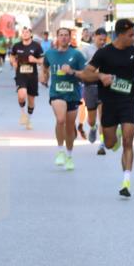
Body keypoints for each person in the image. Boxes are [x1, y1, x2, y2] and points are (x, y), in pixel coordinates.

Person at [77, 18, 134, 197]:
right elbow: (86, 74)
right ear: (120, 35)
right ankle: (114, 136)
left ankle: (126, 181)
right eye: (130, 35)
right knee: (111, 144)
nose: (133, 38)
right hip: (109, 103)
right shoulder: (104, 53)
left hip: (128, 101)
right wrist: (101, 76)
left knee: (129, 141)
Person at [41, 27, 87, 170]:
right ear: (57, 37)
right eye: (61, 35)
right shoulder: (50, 53)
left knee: (69, 126)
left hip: (73, 94)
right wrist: (44, 76)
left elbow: (85, 74)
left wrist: (72, 71)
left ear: (70, 37)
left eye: (66, 35)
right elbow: (44, 66)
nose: (64, 38)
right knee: (60, 120)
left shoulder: (77, 55)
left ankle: (69, 156)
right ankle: (60, 151)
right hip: (57, 93)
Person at [80, 27, 108, 153]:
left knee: (103, 117)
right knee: (91, 119)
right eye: (100, 39)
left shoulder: (109, 50)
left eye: (104, 39)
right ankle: (93, 127)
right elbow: (82, 66)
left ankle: (102, 143)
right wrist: (93, 69)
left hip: (104, 86)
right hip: (90, 86)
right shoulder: (87, 49)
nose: (102, 41)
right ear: (94, 37)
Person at [10, 27, 44, 129]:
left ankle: (29, 119)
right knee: (22, 95)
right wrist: (13, 62)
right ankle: (23, 113)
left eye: (27, 32)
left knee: (31, 100)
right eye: (23, 32)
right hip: (21, 74)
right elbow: (12, 55)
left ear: (31, 34)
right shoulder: (17, 46)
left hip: (32, 76)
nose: (25, 34)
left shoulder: (36, 46)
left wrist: (35, 60)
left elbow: (42, 60)